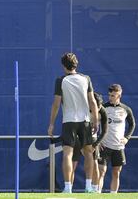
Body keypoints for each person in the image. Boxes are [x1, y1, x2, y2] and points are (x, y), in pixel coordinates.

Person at [47, 52, 99, 193]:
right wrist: (96, 120)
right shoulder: (85, 78)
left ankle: (68, 188)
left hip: (69, 121)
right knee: (89, 153)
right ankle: (88, 186)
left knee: (68, 154)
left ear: (64, 66)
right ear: (76, 64)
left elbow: (56, 104)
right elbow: (92, 101)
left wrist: (51, 124)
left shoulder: (61, 80)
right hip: (85, 121)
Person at [98, 84, 136, 193]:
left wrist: (127, 138)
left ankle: (113, 195)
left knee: (116, 173)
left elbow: (132, 124)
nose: (110, 98)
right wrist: (97, 141)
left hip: (118, 147)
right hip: (104, 146)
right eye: (109, 95)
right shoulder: (103, 108)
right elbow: (93, 124)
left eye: (113, 95)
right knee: (101, 172)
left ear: (119, 95)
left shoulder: (126, 109)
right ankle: (97, 195)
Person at [70, 92, 108, 193]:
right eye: (96, 106)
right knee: (73, 163)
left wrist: (96, 145)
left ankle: (95, 189)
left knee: (94, 163)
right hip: (78, 137)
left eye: (99, 107)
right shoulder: (82, 109)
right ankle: (68, 188)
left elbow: (104, 131)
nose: (98, 109)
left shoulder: (103, 111)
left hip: (92, 138)